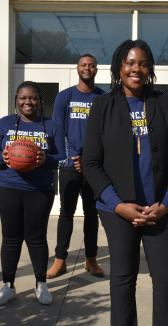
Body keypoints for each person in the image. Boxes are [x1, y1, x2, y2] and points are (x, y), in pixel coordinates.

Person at [82, 39, 168, 326]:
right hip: (118, 210)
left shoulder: (164, 103)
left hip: (159, 209)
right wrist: (118, 205)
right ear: (119, 67)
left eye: (142, 63)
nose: (135, 68)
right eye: (129, 63)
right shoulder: (103, 105)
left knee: (166, 278)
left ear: (149, 67)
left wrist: (166, 203)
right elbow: (90, 162)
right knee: (123, 279)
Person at [0, 81, 67, 306]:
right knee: (10, 238)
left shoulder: (52, 126)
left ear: (39, 101)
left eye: (32, 98)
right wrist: (3, 157)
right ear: (16, 101)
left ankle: (41, 284)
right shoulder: (4, 124)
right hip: (8, 188)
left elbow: (63, 158)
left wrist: (46, 159)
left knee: (37, 238)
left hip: (40, 190)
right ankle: (7, 285)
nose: (27, 102)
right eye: (23, 98)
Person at [47, 54, 106, 278]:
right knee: (66, 213)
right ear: (77, 68)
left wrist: (90, 159)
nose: (87, 68)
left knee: (92, 214)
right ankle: (60, 260)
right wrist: (74, 157)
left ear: (96, 70)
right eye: (84, 65)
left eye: (91, 65)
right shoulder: (65, 97)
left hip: (94, 165)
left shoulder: (103, 97)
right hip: (70, 165)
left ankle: (91, 260)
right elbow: (59, 131)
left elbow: (105, 132)